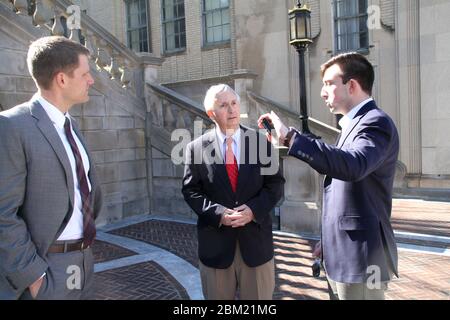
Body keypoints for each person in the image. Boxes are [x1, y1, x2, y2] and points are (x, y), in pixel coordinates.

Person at [259, 52, 399, 300]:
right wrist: (330, 241)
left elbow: (352, 165)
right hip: (342, 255)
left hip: (363, 262)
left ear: (352, 85)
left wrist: (291, 138)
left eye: (328, 84)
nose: (323, 93)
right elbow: (340, 177)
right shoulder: (352, 125)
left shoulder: (376, 123)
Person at [0, 36, 103, 300]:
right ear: (61, 79)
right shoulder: (12, 126)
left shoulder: (71, 126)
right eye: (85, 73)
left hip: (84, 262)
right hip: (46, 271)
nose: (91, 80)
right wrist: (34, 277)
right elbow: (3, 212)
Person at [182, 84, 285, 299]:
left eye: (234, 103)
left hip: (256, 247)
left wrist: (253, 211)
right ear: (211, 114)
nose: (231, 110)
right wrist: (218, 213)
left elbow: (275, 185)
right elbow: (191, 191)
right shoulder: (196, 148)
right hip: (216, 250)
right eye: (223, 105)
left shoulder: (260, 142)